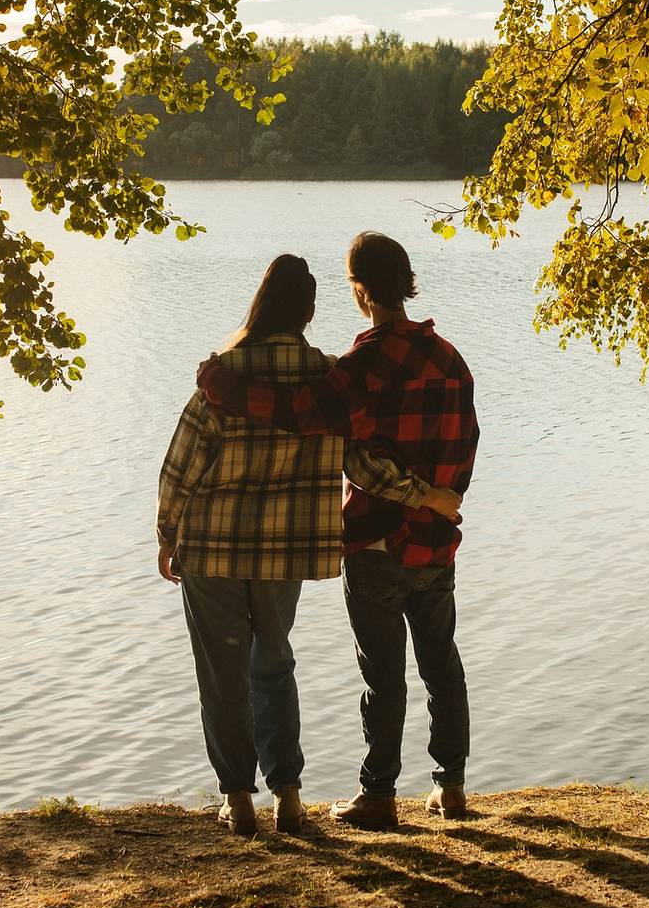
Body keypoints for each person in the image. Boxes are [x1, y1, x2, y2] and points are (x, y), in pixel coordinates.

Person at [157, 254, 460, 838]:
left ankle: (240, 801)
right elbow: (363, 463)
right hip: (285, 553)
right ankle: (289, 796)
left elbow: (181, 469)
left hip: (212, 550)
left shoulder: (224, 375)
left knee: (222, 676)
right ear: (310, 311)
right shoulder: (329, 378)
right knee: (273, 663)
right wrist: (424, 496)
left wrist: (166, 535)